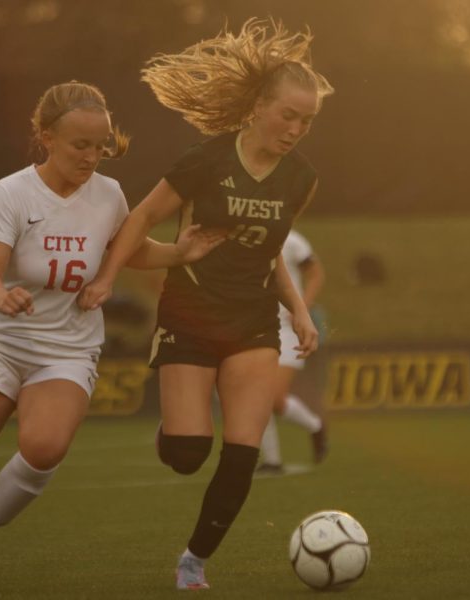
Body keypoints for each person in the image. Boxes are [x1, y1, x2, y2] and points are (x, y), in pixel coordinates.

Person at [0, 81, 222, 596]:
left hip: (67, 348)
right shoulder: (11, 192)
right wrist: (1, 297)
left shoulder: (108, 193)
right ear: (46, 137)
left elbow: (126, 247)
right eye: (80, 144)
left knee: (45, 446)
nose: (92, 156)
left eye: (101, 145)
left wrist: (178, 253)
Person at [78, 18, 333, 590]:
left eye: (306, 121)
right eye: (287, 115)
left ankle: (194, 560)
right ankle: (172, 433)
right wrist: (108, 279)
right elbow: (142, 216)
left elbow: (271, 254)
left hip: (253, 323)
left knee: (242, 453)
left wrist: (295, 310)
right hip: (190, 316)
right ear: (258, 108)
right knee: (189, 452)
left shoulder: (300, 178)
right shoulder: (207, 160)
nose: (295, 129)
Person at [257, 229, 328, 474]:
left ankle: (315, 425)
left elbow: (316, 273)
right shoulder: (242, 236)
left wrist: (302, 307)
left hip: (287, 330)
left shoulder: (292, 239)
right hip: (254, 328)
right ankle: (272, 461)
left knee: (274, 398)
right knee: (258, 396)